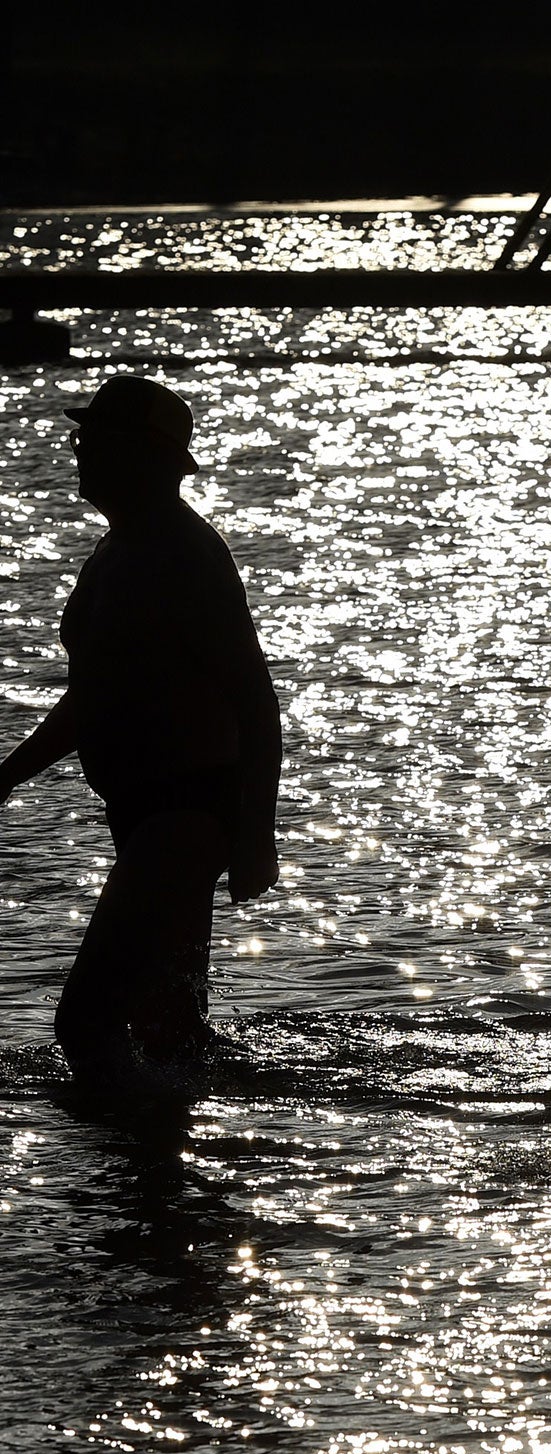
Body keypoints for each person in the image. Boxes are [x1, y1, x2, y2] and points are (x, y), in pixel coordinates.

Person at [0, 377, 281, 1077]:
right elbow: (95, 698)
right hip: (146, 813)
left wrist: (256, 835)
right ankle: (184, 1171)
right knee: (168, 1034)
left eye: (98, 442)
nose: (79, 453)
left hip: (184, 812)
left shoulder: (182, 554)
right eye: (81, 439)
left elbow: (255, 696)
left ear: (152, 457)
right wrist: (5, 776)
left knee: (86, 1022)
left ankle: (117, 1167)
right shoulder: (121, 546)